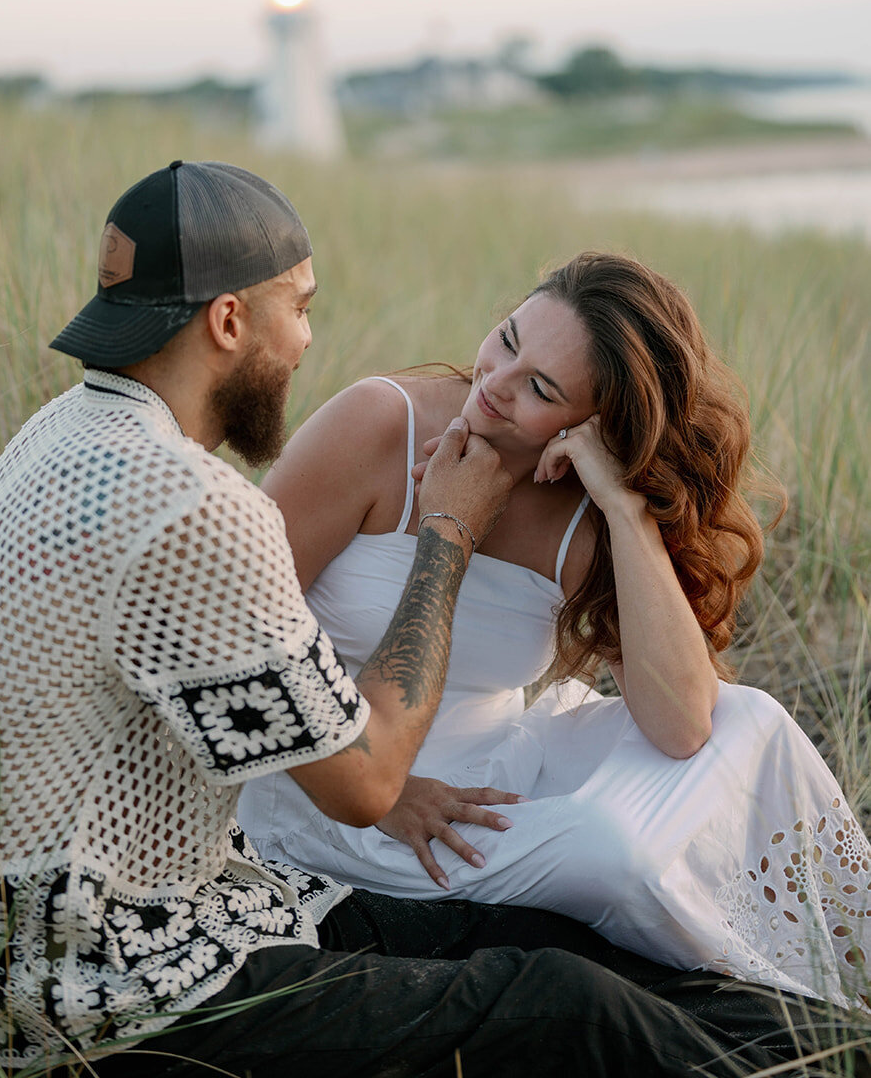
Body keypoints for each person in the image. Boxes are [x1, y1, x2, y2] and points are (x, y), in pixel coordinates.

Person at [0, 166, 851, 1078]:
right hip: (114, 985)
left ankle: (829, 1044)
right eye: (298, 309)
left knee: (572, 945)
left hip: (172, 906)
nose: (308, 340)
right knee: (562, 1000)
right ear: (227, 320)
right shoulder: (199, 511)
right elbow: (366, 782)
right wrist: (446, 532)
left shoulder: (60, 431)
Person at [239, 250, 871, 1017]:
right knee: (610, 852)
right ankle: (771, 994)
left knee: (753, 723)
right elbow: (234, 638)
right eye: (506, 341)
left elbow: (681, 724)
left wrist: (621, 506)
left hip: (501, 763)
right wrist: (377, 788)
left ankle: (846, 981)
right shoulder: (379, 425)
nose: (495, 385)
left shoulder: (580, 501)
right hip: (339, 789)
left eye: (541, 389)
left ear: (593, 423)